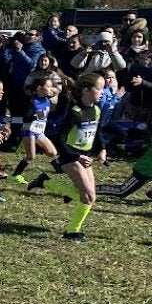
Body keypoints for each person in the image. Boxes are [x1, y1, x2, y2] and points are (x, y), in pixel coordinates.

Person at [26, 72, 106, 241]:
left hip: (83, 157)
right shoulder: (75, 112)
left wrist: (102, 149)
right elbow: (60, 141)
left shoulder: (97, 110)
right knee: (89, 196)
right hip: (70, 156)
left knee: (90, 197)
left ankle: (45, 181)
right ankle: (72, 232)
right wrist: (76, 156)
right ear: (86, 90)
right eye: (100, 89)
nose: (103, 92)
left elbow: (98, 133)